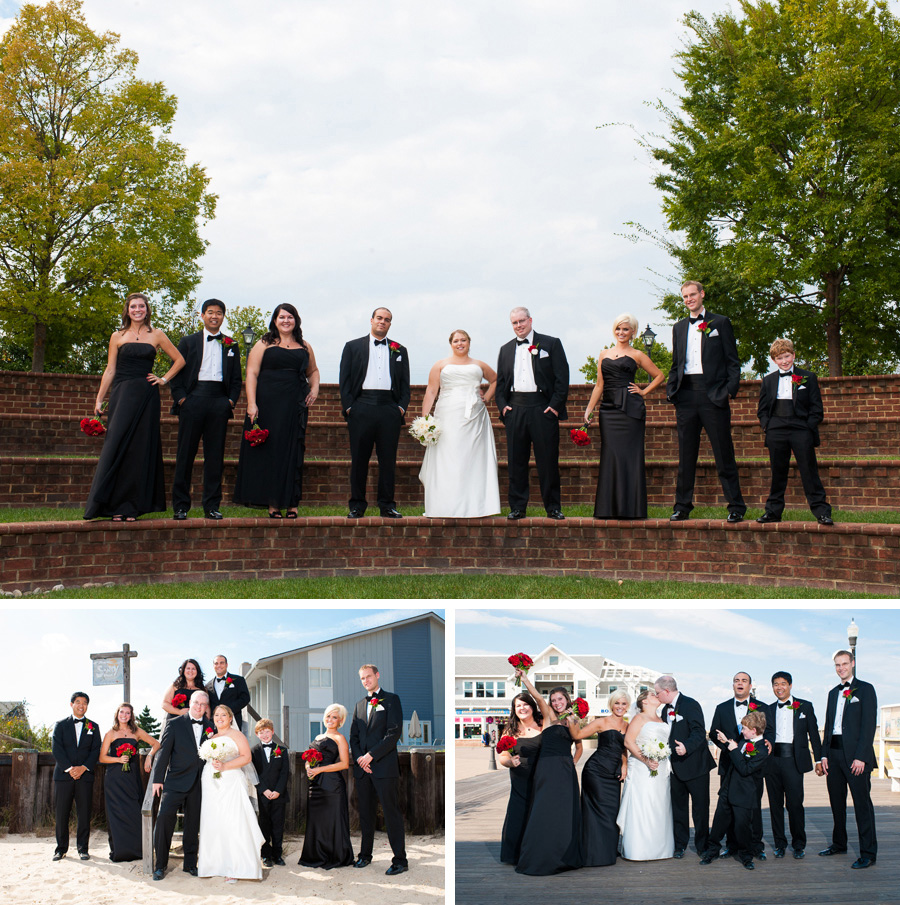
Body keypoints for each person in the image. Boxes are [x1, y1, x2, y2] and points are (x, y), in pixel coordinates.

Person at [84, 292, 185, 520]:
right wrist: (99, 398)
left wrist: (163, 379)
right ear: (127, 310)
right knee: (117, 445)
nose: (137, 310)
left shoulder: (157, 335)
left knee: (140, 449)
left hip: (147, 396)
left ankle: (133, 507)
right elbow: (110, 370)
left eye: (141, 306)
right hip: (122, 394)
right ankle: (110, 505)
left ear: (147, 310)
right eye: (133, 307)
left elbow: (180, 360)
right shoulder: (117, 336)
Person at [665, 280, 746, 523]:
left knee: (723, 453)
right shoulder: (678, 328)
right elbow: (676, 363)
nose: (689, 299)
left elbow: (733, 361)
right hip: (686, 396)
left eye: (692, 295)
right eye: (685, 296)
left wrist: (729, 390)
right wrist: (673, 391)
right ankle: (682, 506)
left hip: (714, 395)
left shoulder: (720, 322)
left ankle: (736, 507)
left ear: (702, 294)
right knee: (686, 456)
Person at [234, 303, 320, 518]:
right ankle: (273, 504)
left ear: (296, 320)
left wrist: (315, 388)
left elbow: (314, 370)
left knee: (292, 452)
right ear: (275, 320)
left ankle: (292, 503)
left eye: (290, 317)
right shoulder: (264, 343)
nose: (286, 321)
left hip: (294, 406)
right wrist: (252, 404)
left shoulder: (304, 346)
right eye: (282, 317)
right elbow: (252, 373)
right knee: (271, 453)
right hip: (268, 404)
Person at [583, 313, 664, 518]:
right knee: (610, 456)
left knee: (631, 457)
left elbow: (660, 376)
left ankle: (632, 509)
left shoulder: (637, 354)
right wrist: (589, 408)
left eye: (626, 329)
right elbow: (599, 385)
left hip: (630, 411)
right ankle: (608, 509)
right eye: (618, 328)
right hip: (608, 411)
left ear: (633, 332)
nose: (621, 332)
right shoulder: (603, 354)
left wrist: (644, 392)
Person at [169, 297, 243, 520]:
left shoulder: (231, 344)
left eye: (219, 312)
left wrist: (230, 401)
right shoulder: (188, 342)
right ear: (202, 315)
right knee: (185, 456)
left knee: (215, 457)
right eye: (210, 312)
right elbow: (176, 374)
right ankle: (181, 506)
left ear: (223, 316)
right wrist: (182, 399)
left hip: (219, 402)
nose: (214, 316)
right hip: (193, 401)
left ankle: (212, 506)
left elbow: (237, 379)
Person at [496, 307, 569, 520]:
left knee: (547, 461)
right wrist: (503, 407)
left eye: (522, 321)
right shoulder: (506, 349)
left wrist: (554, 406)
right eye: (514, 323)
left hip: (542, 409)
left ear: (530, 320)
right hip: (515, 409)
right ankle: (517, 507)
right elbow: (501, 383)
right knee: (516, 461)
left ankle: (553, 507)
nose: (518, 326)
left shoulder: (551, 343)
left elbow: (561, 378)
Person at [418, 329, 501, 517]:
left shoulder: (479, 364)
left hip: (474, 417)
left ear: (469, 343)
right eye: (456, 341)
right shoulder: (440, 365)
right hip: (447, 415)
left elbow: (496, 379)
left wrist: (486, 397)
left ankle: (476, 506)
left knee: (472, 458)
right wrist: (425, 419)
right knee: (448, 457)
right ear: (451, 344)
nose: (460, 343)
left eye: (463, 340)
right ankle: (444, 504)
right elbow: (431, 391)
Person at [339, 307, 411, 518]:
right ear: (371, 320)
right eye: (379, 318)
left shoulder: (400, 350)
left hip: (389, 408)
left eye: (387, 320)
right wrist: (350, 407)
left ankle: (387, 505)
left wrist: (400, 408)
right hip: (361, 406)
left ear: (390, 324)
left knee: (388, 460)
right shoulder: (352, 347)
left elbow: (405, 385)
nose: (382, 322)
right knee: (359, 459)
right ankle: (357, 505)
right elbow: (345, 381)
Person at [756, 338, 834, 525]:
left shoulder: (808, 377)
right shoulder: (768, 381)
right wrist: (767, 425)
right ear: (774, 360)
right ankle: (773, 511)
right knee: (778, 472)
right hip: (776, 429)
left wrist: (808, 427)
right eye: (780, 358)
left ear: (793, 355)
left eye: (787, 356)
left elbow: (817, 409)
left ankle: (822, 512)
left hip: (801, 428)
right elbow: (763, 409)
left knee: (809, 470)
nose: (784, 361)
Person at [513, 669, 583, 875]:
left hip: (565, 769)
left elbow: (578, 747)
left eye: (560, 699)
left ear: (567, 700)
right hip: (546, 767)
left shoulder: (574, 720)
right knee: (544, 809)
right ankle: (540, 855)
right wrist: (525, 679)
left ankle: (564, 855)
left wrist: (572, 764)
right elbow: (536, 696)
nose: (556, 702)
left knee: (564, 811)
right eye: (553, 699)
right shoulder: (549, 716)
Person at [819, 649, 877, 869]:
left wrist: (861, 756)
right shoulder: (833, 693)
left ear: (852, 663)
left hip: (855, 757)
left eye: (844, 663)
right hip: (833, 755)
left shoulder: (865, 689)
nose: (841, 668)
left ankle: (868, 853)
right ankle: (838, 844)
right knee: (836, 803)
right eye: (837, 665)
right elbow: (829, 724)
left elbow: (869, 725)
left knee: (862, 805)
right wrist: (823, 754)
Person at [708, 672, 774, 859]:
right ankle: (731, 845)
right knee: (727, 808)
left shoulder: (762, 707)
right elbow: (713, 733)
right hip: (729, 765)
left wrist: (768, 742)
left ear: (750, 685)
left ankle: (755, 846)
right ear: (733, 685)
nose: (740, 683)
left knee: (753, 808)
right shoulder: (722, 708)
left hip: (752, 767)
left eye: (744, 681)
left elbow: (769, 732)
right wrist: (729, 748)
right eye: (737, 681)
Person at [349, 664, 408, 875]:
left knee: (391, 813)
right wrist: (359, 759)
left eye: (369, 677)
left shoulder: (392, 700)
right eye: (362, 678)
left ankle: (400, 860)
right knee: (365, 814)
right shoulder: (357, 706)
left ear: (377, 676)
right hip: (363, 770)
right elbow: (354, 737)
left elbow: (393, 734)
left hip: (384, 768)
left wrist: (370, 756)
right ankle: (365, 856)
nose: (366, 681)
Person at [151, 690, 213, 880]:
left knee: (193, 824)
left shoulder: (211, 728)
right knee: (164, 820)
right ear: (190, 703)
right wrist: (157, 779)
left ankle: (190, 864)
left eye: (203, 704)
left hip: (199, 782)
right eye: (196, 703)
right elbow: (163, 753)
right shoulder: (174, 724)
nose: (199, 707)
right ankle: (160, 865)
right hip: (175, 781)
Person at [197, 705, 265, 882]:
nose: (220, 717)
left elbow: (246, 757)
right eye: (217, 715)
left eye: (224, 715)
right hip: (210, 781)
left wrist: (225, 766)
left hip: (231, 781)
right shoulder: (212, 736)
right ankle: (214, 864)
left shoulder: (237, 735)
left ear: (230, 718)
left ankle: (235, 867)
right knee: (213, 821)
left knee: (233, 820)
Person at [655, 674, 716, 858]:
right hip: (675, 769)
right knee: (678, 809)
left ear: (667, 691)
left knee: (700, 809)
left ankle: (702, 845)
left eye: (658, 693)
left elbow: (699, 731)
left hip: (696, 767)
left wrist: (686, 747)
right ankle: (680, 845)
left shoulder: (691, 704)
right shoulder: (665, 710)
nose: (656, 696)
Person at [701, 710, 770, 870]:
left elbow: (745, 769)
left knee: (742, 826)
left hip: (744, 794)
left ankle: (746, 856)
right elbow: (737, 752)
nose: (742, 731)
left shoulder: (762, 749)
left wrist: (733, 749)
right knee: (718, 823)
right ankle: (712, 851)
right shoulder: (744, 741)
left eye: (745, 728)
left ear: (754, 731)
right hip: (728, 788)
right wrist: (726, 742)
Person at [766, 670, 822, 859]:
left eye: (783, 683)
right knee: (775, 805)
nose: (779, 687)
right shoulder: (768, 709)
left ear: (790, 685)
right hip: (772, 761)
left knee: (795, 804)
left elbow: (814, 734)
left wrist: (819, 759)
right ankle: (779, 844)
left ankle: (799, 844)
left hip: (794, 761)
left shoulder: (805, 706)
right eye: (775, 684)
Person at [569, 691, 629, 866]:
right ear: (611, 704)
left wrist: (624, 765)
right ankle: (595, 853)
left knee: (612, 813)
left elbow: (624, 748)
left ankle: (607, 848)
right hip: (595, 771)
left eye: (624, 704)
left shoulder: (628, 725)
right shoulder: (601, 722)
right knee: (597, 812)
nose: (620, 707)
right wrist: (573, 719)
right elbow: (577, 735)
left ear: (627, 706)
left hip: (614, 774)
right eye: (617, 703)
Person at [617, 689, 674, 861]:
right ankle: (639, 850)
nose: (657, 696)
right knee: (644, 804)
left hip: (662, 767)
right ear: (644, 701)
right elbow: (628, 741)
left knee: (659, 805)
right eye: (652, 695)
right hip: (642, 768)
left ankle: (661, 849)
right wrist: (646, 759)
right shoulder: (639, 718)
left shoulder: (662, 718)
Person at [98, 702, 160, 862]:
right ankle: (120, 852)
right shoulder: (110, 734)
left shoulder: (136, 731)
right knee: (116, 813)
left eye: (127, 713)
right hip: (114, 778)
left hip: (131, 777)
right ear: (117, 714)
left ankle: (138, 851)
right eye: (122, 712)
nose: (124, 715)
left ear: (131, 716)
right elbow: (102, 757)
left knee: (133, 811)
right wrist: (118, 759)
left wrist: (149, 756)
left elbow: (156, 744)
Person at [298, 704, 355, 869]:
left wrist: (320, 769)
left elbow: (344, 764)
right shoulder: (317, 736)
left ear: (340, 721)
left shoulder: (340, 738)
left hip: (332, 786)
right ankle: (316, 855)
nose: (330, 720)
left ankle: (336, 856)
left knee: (333, 821)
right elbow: (309, 758)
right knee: (317, 821)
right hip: (315, 786)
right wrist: (308, 767)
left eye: (334, 717)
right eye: (328, 716)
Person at [51, 692, 101, 861]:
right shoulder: (60, 725)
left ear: (87, 705)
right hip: (63, 776)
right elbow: (56, 749)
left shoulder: (93, 726)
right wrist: (70, 769)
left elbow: (96, 750)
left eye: (85, 702)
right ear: (71, 704)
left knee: (84, 813)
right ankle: (61, 849)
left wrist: (83, 768)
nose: (81, 705)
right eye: (78, 702)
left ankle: (83, 849)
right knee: (61, 814)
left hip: (85, 777)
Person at [497, 692, 543, 865]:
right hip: (520, 776)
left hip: (542, 776)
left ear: (532, 706)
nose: (522, 708)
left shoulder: (543, 724)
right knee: (519, 814)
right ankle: (514, 855)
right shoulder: (510, 730)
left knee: (539, 814)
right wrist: (509, 761)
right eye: (518, 706)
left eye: (525, 704)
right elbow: (502, 756)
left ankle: (538, 852)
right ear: (514, 709)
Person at [251, 719, 290, 867]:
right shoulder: (253, 751)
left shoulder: (282, 750)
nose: (265, 735)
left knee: (278, 826)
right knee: (264, 825)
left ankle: (277, 855)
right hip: (263, 795)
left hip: (279, 795)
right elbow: (254, 773)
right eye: (261, 732)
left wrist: (278, 791)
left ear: (272, 732)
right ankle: (265, 855)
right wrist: (264, 790)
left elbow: (284, 773)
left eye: (267, 731)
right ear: (257, 734)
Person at [206, 654, 251, 731]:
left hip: (233, 722)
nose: (219, 665)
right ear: (213, 666)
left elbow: (245, 698)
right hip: (215, 725)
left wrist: (228, 711)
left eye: (221, 663)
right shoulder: (207, 685)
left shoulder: (238, 680)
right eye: (216, 663)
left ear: (226, 665)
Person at [161, 658, 206, 724]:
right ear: (183, 670)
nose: (190, 671)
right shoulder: (175, 686)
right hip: (175, 723)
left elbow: (207, 708)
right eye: (188, 668)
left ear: (197, 671)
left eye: (193, 669)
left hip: (194, 724)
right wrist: (179, 712)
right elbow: (164, 704)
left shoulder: (203, 689)